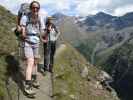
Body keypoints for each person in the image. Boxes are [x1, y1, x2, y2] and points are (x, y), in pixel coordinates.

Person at [20, 1, 46, 96]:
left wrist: (45, 34)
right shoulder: (25, 17)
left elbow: (41, 31)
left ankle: (34, 80)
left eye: (37, 8)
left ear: (39, 9)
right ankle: (27, 86)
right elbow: (22, 28)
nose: (35, 9)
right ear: (30, 8)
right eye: (33, 7)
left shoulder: (40, 18)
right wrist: (23, 33)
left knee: (35, 62)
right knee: (30, 62)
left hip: (36, 42)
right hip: (27, 41)